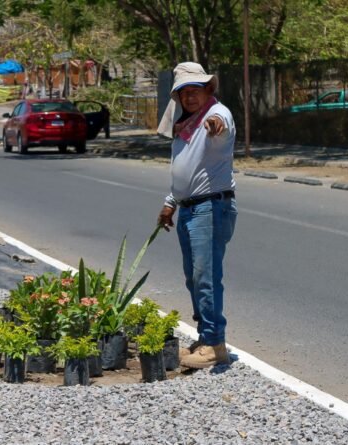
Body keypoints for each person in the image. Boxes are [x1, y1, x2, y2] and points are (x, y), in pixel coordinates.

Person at [156, 62, 237, 369]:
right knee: (194, 277)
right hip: (189, 207)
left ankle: (215, 344)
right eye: (183, 92)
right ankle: (205, 338)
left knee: (206, 276)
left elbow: (221, 125)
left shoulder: (217, 113)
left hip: (210, 207)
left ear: (208, 90)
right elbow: (185, 170)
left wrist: (215, 124)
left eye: (195, 90)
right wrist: (170, 203)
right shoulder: (185, 126)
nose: (190, 97)